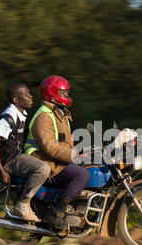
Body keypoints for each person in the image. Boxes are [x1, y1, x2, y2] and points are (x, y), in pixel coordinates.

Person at [24, 75, 90, 229]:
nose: (67, 96)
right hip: (45, 164)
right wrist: (73, 156)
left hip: (56, 161)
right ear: (53, 93)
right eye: (64, 93)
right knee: (82, 174)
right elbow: (50, 148)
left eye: (67, 93)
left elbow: (63, 144)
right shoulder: (44, 116)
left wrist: (80, 151)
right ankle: (57, 212)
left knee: (91, 167)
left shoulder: (60, 114)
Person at [0, 83, 50, 222]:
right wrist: (2, 171)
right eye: (26, 94)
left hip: (17, 156)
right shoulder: (9, 117)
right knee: (43, 168)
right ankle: (23, 204)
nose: (30, 96)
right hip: (10, 161)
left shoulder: (20, 114)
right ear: (16, 100)